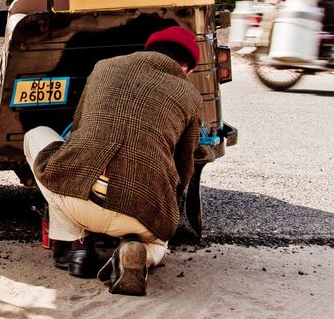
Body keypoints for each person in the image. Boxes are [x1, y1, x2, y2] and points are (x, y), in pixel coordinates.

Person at [24, 26, 203, 296]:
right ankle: (136, 252)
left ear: (149, 49)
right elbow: (184, 168)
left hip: (79, 202)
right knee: (159, 243)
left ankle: (76, 249)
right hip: (139, 216)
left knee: (36, 137)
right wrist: (166, 215)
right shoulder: (190, 96)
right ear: (187, 68)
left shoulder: (104, 67)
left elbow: (77, 130)